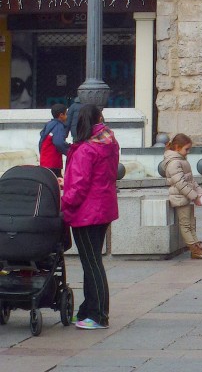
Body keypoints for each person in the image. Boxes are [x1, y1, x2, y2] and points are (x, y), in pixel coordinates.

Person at [61, 103, 120, 330]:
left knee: (92, 263)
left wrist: (63, 204)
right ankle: (87, 310)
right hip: (103, 208)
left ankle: (98, 315)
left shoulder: (86, 149)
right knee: (92, 261)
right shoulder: (109, 142)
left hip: (86, 213)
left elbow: (78, 187)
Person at [161, 133, 202, 260]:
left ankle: (197, 246)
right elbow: (181, 183)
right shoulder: (174, 163)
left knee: (190, 224)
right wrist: (195, 196)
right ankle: (194, 249)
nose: (188, 152)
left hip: (186, 197)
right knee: (185, 224)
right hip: (180, 198)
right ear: (177, 147)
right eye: (186, 149)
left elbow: (191, 180)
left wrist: (200, 193)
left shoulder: (181, 160)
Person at [38, 103, 69, 176]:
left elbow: (41, 141)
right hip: (53, 162)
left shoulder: (49, 125)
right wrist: (69, 152)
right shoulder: (59, 126)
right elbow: (59, 143)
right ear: (61, 115)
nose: (67, 116)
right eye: (66, 114)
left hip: (44, 160)